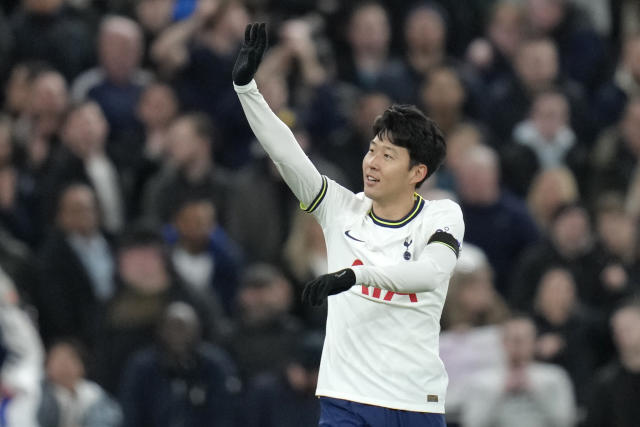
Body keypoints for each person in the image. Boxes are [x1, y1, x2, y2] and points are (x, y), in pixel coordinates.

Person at [233, 23, 464, 426]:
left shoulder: (442, 215)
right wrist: (247, 90)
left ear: (417, 172)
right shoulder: (339, 209)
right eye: (372, 150)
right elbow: (287, 153)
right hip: (347, 398)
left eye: (388, 156)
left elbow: (431, 273)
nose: (372, 163)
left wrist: (354, 277)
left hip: (416, 401)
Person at [460, 314, 576, 427]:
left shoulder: (554, 376)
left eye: (523, 339)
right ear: (503, 343)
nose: (517, 344)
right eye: (513, 339)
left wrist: (535, 391)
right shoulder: (481, 381)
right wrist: (501, 392)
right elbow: (472, 423)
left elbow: (566, 421)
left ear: (534, 342)